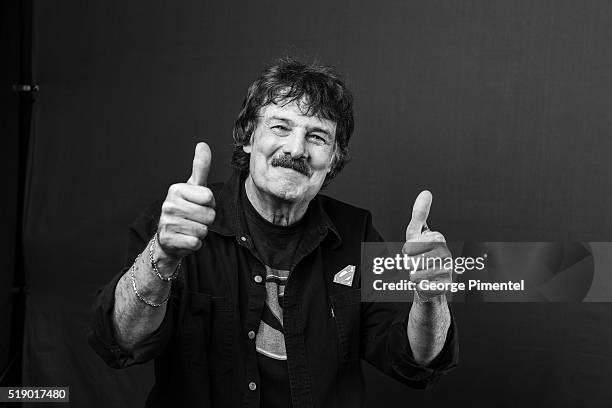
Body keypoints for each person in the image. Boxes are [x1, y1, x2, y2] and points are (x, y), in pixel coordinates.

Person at [88, 57, 458, 407]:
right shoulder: (181, 219)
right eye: (280, 127)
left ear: (333, 160)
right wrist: (162, 259)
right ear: (248, 138)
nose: (295, 149)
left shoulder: (357, 233)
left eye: (317, 137)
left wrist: (432, 299)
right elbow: (121, 341)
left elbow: (414, 360)